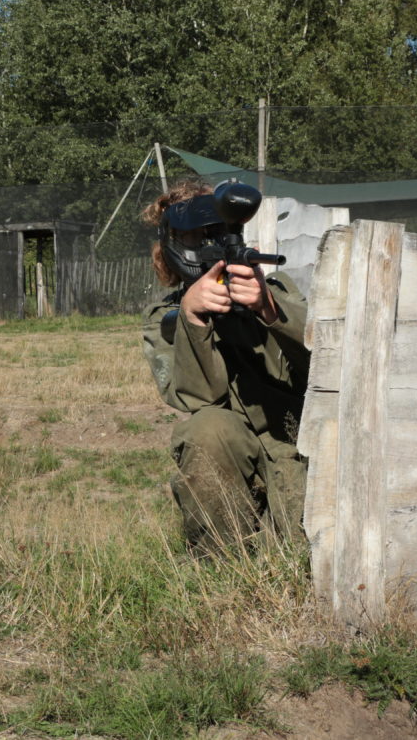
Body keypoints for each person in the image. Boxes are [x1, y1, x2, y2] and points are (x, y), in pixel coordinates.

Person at [141, 179, 311, 557]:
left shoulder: (278, 290)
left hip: (296, 442)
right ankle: (218, 562)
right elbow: (198, 398)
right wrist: (193, 318)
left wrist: (269, 309)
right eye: (195, 238)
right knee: (207, 428)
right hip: (233, 456)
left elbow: (323, 360)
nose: (208, 246)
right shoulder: (164, 316)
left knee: (301, 553)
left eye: (216, 233)